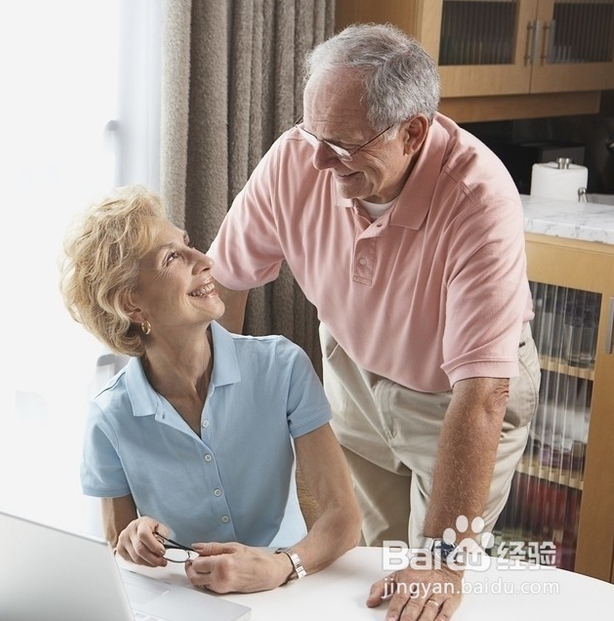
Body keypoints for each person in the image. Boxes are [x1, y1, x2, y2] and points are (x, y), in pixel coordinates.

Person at [206, 23, 541, 619]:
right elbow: (227, 280)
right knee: (371, 574)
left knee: (433, 583)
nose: (315, 158)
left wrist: (440, 560)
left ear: (413, 132)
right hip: (355, 372)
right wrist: (217, 411)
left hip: (456, 398)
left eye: (342, 143)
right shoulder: (298, 157)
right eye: (312, 131)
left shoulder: (479, 198)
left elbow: (484, 393)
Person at [59, 185, 361, 594]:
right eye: (173, 257)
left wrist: (281, 567)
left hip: (289, 591)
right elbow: (118, 545)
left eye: (188, 245)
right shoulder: (109, 416)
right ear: (132, 305)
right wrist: (134, 539)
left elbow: (343, 518)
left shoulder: (281, 366)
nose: (205, 261)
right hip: (185, 600)